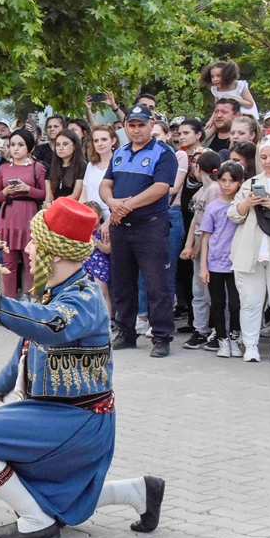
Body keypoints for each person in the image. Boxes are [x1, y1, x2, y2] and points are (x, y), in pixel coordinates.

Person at [0, 198, 164, 538]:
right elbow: (27, 343)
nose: (28, 249)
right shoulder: (55, 291)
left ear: (56, 252)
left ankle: (36, 522)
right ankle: (138, 491)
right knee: (17, 463)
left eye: (36, 242)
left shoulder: (84, 297)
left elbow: (52, 327)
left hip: (77, 419)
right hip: (60, 414)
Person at [100, 104, 178, 357]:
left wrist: (125, 205)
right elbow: (105, 184)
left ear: (151, 125)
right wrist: (112, 204)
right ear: (125, 127)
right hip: (122, 227)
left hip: (151, 227)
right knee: (123, 283)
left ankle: (162, 337)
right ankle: (126, 332)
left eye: (141, 124)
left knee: (156, 285)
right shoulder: (120, 152)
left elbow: (161, 188)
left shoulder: (164, 153)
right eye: (131, 125)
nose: (136, 130)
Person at [227, 134, 270, 364]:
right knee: (250, 301)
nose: (268, 161)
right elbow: (233, 214)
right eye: (264, 157)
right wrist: (246, 203)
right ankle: (250, 345)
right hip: (250, 250)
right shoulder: (251, 183)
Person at [0, 129, 47, 298]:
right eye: (12, 145)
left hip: (28, 217)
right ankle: (9, 304)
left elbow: (44, 194)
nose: (15, 148)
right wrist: (6, 191)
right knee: (8, 263)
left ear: (29, 147)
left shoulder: (38, 167)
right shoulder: (2, 168)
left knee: (30, 261)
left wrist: (27, 189)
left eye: (20, 145)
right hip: (7, 218)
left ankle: (33, 301)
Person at [199, 162, 245, 358]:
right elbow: (206, 237)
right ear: (217, 181)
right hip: (216, 262)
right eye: (223, 180)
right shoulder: (213, 208)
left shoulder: (242, 207)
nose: (227, 185)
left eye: (232, 181)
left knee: (236, 304)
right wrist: (203, 266)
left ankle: (235, 338)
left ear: (240, 183)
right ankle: (222, 340)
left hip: (237, 262)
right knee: (217, 303)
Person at [180, 149, 223, 350]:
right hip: (199, 244)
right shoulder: (203, 190)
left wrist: (196, 247)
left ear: (198, 168)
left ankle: (216, 329)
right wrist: (189, 244)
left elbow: (209, 225)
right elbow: (196, 222)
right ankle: (200, 329)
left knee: (210, 291)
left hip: (211, 248)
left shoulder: (214, 190)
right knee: (198, 291)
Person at [81, 201, 112, 313]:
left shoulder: (104, 231)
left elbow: (108, 249)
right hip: (85, 264)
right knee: (87, 293)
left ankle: (108, 320)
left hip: (99, 264)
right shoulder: (82, 231)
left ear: (100, 215)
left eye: (93, 215)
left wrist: (96, 241)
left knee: (102, 293)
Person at [80, 125, 116, 219]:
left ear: (113, 141)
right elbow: (84, 195)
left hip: (111, 217)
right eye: (96, 140)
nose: (100, 144)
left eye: (104, 139)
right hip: (90, 216)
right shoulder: (90, 166)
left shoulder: (119, 165)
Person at [45, 129, 86, 205]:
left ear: (74, 146)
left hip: (72, 208)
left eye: (65, 144)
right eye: (57, 144)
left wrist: (56, 203)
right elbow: (49, 196)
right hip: (54, 207)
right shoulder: (51, 168)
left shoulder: (81, 167)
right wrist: (48, 204)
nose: (61, 148)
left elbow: (76, 196)